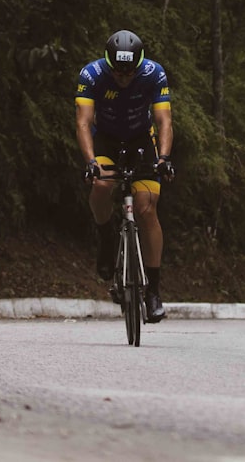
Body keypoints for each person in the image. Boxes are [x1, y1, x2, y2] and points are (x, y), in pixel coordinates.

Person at [75, 29, 175, 323]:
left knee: (146, 207)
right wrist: (91, 161)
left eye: (128, 73)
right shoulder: (92, 74)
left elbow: (164, 119)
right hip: (106, 139)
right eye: (117, 73)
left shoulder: (154, 73)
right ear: (108, 64)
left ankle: (153, 291)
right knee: (102, 184)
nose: (123, 78)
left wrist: (165, 158)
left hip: (141, 140)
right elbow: (83, 122)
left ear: (138, 65)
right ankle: (105, 237)